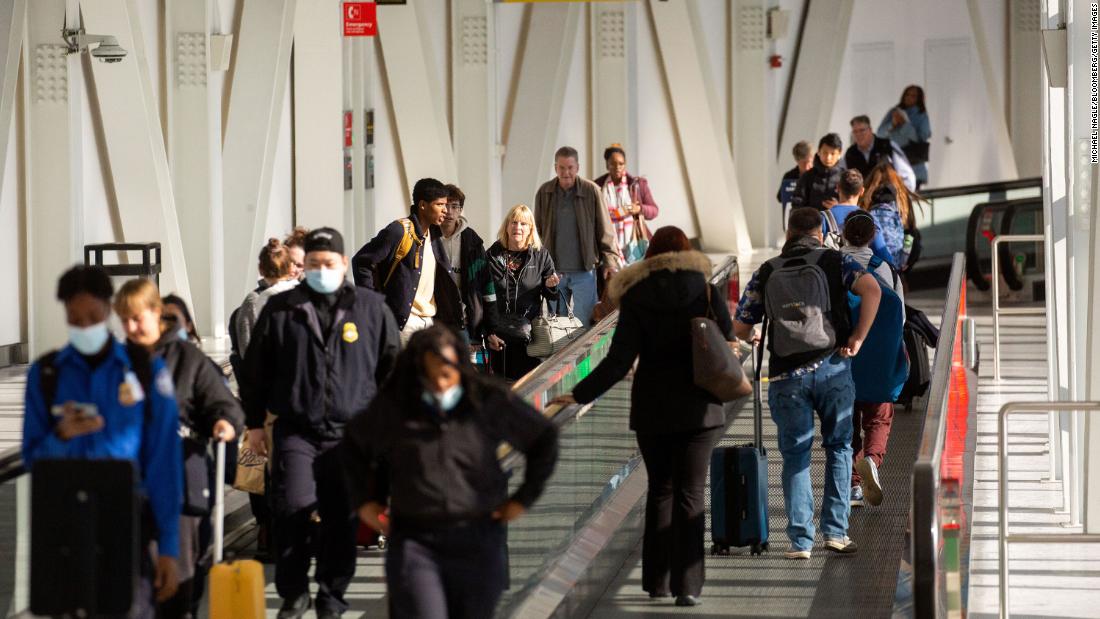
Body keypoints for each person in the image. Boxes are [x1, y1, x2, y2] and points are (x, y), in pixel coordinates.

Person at [551, 227, 750, 607]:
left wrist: (578, 394)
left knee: (661, 490)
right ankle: (687, 585)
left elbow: (618, 360)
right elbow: (727, 336)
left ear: (652, 255)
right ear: (686, 251)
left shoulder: (637, 293)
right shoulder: (704, 288)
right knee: (691, 494)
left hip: (653, 407)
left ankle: (657, 582)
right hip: (700, 406)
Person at [342, 325, 558, 619]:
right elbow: (354, 446)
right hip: (415, 541)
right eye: (429, 379)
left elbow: (543, 438)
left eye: (446, 376)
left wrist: (522, 499)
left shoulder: (485, 400)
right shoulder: (396, 406)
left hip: (478, 538)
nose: (440, 386)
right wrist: (365, 503)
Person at [242, 227, 400, 618]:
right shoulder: (283, 310)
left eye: (328, 264)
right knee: (292, 508)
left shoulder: (371, 309)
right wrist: (255, 424)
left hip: (351, 435)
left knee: (342, 517)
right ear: (303, 267)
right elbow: (255, 370)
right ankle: (294, 592)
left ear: (344, 264)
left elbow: (392, 369)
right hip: (297, 428)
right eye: (312, 264)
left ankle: (332, 594)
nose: (320, 270)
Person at [22, 265, 182, 615]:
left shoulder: (144, 370)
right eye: (74, 319)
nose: (84, 327)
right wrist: (61, 437)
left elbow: (164, 463)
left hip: (127, 521)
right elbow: (31, 457)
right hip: (66, 525)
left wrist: (169, 547)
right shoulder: (47, 375)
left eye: (92, 316)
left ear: (108, 310)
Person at [733, 207, 881, 560]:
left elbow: (740, 327)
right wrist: (858, 337)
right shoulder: (836, 261)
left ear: (788, 232)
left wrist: (752, 335)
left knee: (796, 455)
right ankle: (836, 532)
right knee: (839, 447)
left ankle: (801, 541)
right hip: (833, 367)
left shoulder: (767, 271)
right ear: (820, 232)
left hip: (786, 377)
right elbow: (873, 290)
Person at [114, 280, 245, 618]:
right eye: (123, 320)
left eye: (136, 318)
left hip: (181, 481)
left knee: (178, 576)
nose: (130, 328)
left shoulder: (188, 358)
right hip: (127, 482)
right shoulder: (116, 361)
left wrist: (224, 422)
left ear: (156, 313)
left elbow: (224, 404)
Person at [352, 178, 464, 345]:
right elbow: (361, 261)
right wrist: (373, 305)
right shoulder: (399, 231)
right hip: (405, 324)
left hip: (430, 322)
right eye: (439, 205)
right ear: (423, 205)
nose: (445, 211)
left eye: (446, 205)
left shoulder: (434, 236)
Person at [839, 213, 902, 509]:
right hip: (878, 358)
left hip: (843, 356)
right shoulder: (885, 269)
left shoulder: (833, 266)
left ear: (843, 233)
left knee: (847, 421)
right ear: (872, 235)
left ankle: (853, 487)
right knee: (878, 416)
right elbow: (899, 316)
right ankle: (871, 461)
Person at [534, 146, 621, 325]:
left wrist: (610, 261)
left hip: (584, 272)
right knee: (558, 328)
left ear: (577, 167)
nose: (566, 172)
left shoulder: (592, 191)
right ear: (555, 167)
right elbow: (537, 232)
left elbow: (605, 230)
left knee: (585, 326)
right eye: (562, 167)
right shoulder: (544, 192)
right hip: (555, 273)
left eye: (570, 167)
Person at [485, 204, 560, 379]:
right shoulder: (492, 254)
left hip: (529, 335)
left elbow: (552, 295)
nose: (517, 227)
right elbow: (482, 294)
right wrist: (487, 331)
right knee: (500, 387)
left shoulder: (541, 255)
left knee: (527, 386)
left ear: (530, 229)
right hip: (499, 334)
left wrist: (551, 286)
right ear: (506, 226)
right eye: (513, 222)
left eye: (523, 223)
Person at [439, 184, 499, 343]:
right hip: (434, 320)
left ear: (460, 210)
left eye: (455, 206)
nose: (449, 212)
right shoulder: (428, 238)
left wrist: (491, 328)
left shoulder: (472, 242)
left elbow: (487, 285)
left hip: (464, 322)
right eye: (445, 205)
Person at [593, 144, 660, 266]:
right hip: (607, 246)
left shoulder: (637, 184)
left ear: (625, 164)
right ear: (607, 165)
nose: (617, 167)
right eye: (613, 164)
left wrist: (639, 208)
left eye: (621, 163)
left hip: (633, 242)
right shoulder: (597, 186)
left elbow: (654, 211)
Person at [236, 239, 300, 357]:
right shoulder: (304, 292)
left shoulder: (262, 298)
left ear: (260, 269)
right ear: (291, 268)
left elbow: (250, 345)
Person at [820, 169, 893, 266]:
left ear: (837, 187)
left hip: (832, 276)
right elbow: (884, 256)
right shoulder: (870, 219)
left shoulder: (823, 217)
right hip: (862, 277)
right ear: (862, 191)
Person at [860, 162, 922, 270]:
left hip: (873, 264)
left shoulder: (867, 199)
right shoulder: (902, 198)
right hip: (898, 263)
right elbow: (911, 233)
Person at [878, 85, 931, 190]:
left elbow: (921, 139)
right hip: (894, 162)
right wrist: (892, 124)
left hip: (913, 164)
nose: (909, 97)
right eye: (907, 94)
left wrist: (905, 124)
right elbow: (880, 133)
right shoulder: (894, 111)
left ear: (918, 99)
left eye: (913, 96)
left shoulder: (921, 115)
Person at [845, 115, 916, 191]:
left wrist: (904, 197)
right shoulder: (850, 153)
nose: (858, 134)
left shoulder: (887, 146)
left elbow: (906, 176)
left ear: (870, 130)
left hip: (888, 198)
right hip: (862, 200)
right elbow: (844, 180)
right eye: (855, 131)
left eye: (862, 130)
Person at [790, 133, 846, 212]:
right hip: (812, 222)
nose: (828, 157)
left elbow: (853, 205)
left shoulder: (846, 177)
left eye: (833, 153)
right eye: (825, 152)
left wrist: (839, 207)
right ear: (819, 152)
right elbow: (797, 203)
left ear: (840, 153)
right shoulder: (807, 176)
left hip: (838, 222)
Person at [777, 140, 814, 227]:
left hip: (812, 219)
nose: (807, 166)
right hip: (795, 219)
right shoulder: (789, 176)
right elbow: (780, 197)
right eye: (803, 163)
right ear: (797, 161)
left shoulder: (816, 175)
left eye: (809, 162)